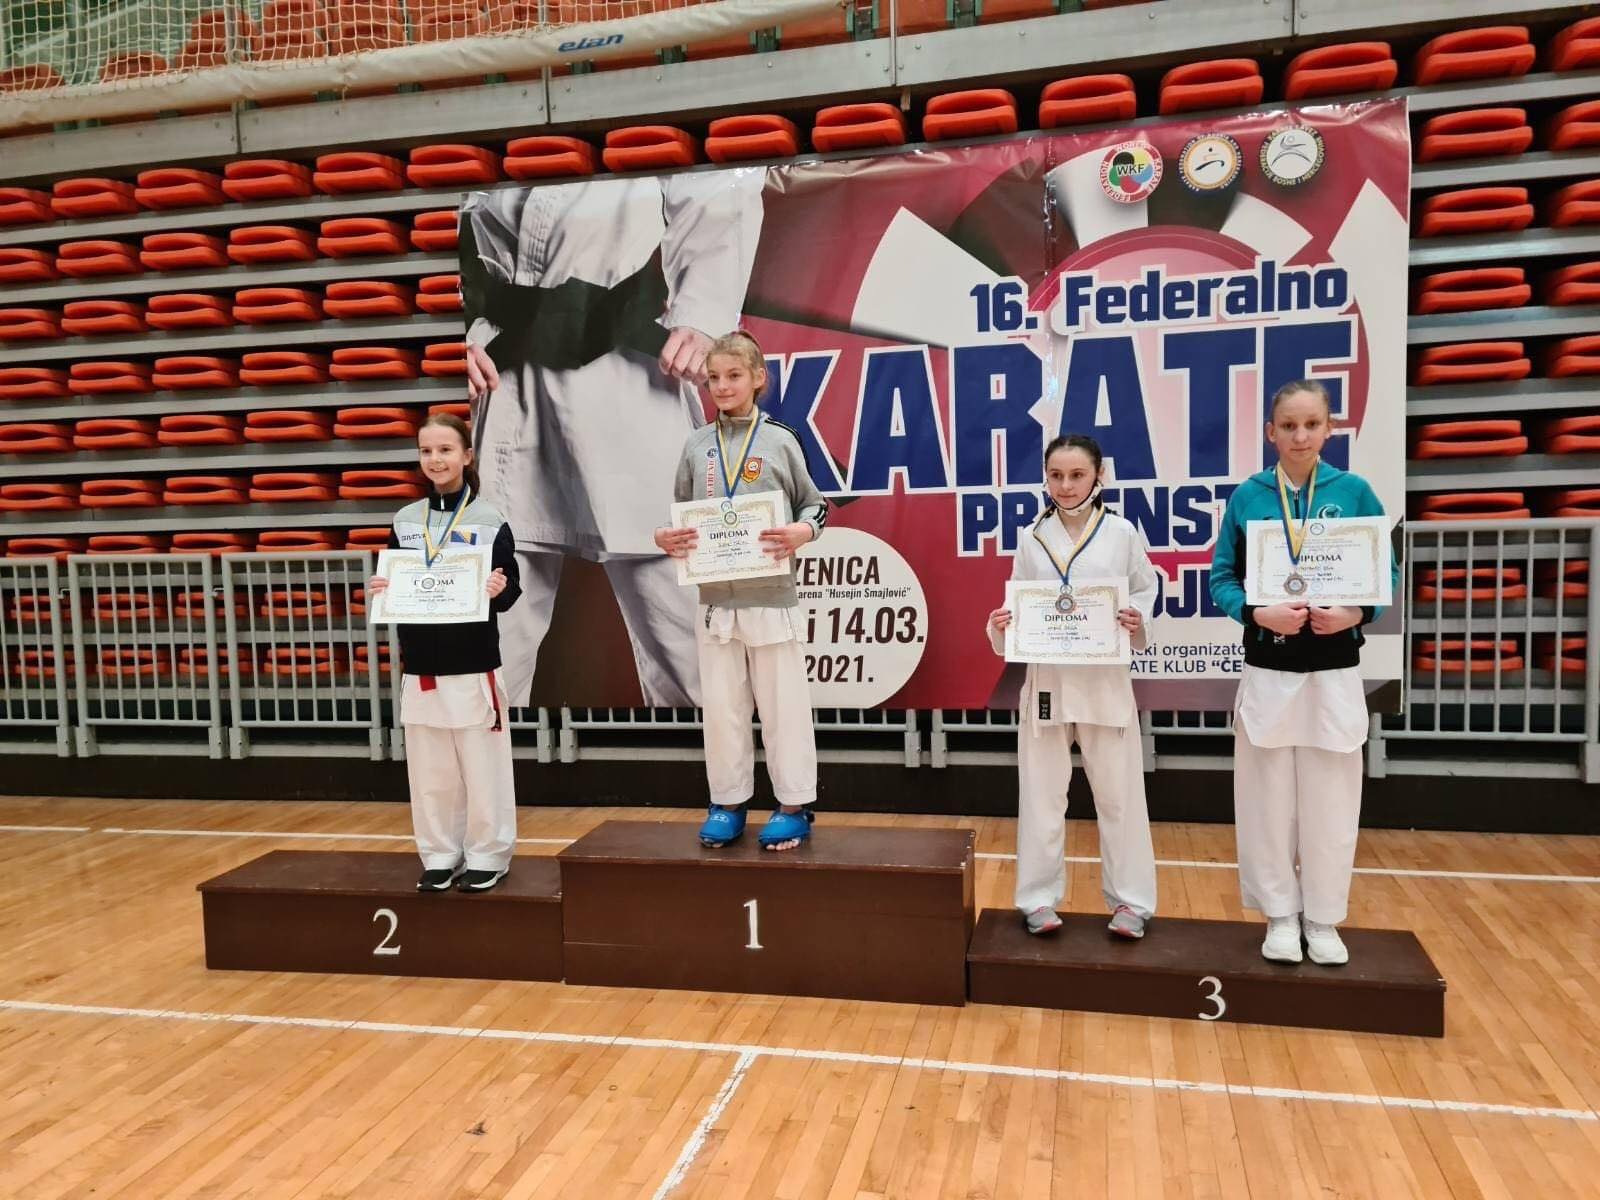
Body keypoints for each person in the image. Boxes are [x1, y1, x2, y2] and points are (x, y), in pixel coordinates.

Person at [459, 169, 766, 709]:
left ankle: (719, 758)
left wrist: (701, 317)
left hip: (626, 379)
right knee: (491, 626)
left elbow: (721, 193)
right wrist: (461, 332)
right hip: (507, 377)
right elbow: (459, 239)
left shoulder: (647, 138)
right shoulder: (491, 155)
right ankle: (478, 760)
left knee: (685, 634)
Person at [1209, 378, 1397, 965]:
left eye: (1311, 424)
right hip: (1269, 665)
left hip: (1334, 669)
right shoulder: (1249, 496)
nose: (1299, 435)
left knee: (1332, 801)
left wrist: (1355, 612)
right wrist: (1256, 611)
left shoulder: (1355, 492)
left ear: (1329, 429)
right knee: (1266, 801)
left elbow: (1386, 574)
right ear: (1271, 431)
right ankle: (1280, 915)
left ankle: (1323, 917)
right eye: (1288, 425)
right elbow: (1221, 578)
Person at [654, 331, 827, 851]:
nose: (722, 386)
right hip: (715, 603)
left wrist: (802, 532)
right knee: (723, 711)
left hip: (771, 598)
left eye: (733, 375)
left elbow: (815, 505)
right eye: (713, 378)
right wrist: (665, 537)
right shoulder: (696, 445)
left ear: (758, 378)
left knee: (783, 710)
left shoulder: (781, 440)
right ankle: (727, 804)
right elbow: (680, 516)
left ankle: (793, 806)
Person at [986, 435, 1160, 938]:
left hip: (1105, 682)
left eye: (1077, 475)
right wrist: (1002, 623)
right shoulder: (1031, 536)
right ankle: (1037, 898)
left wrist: (1137, 616)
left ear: (1098, 476)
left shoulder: (1121, 533)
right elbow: (1019, 600)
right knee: (1042, 797)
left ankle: (1131, 903)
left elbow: (1145, 589)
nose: (1065, 486)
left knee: (1120, 798)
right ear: (1045, 478)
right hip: (1049, 682)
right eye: (1056, 476)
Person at [368, 413, 523, 893]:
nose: (435, 459)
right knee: (431, 773)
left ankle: (488, 854)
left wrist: (498, 588)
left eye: (445, 450)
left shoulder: (489, 519)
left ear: (466, 455)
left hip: (474, 665)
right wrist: (384, 588)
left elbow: (512, 587)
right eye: (426, 451)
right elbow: (397, 581)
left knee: (483, 769)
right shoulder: (406, 520)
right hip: (420, 667)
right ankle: (440, 854)